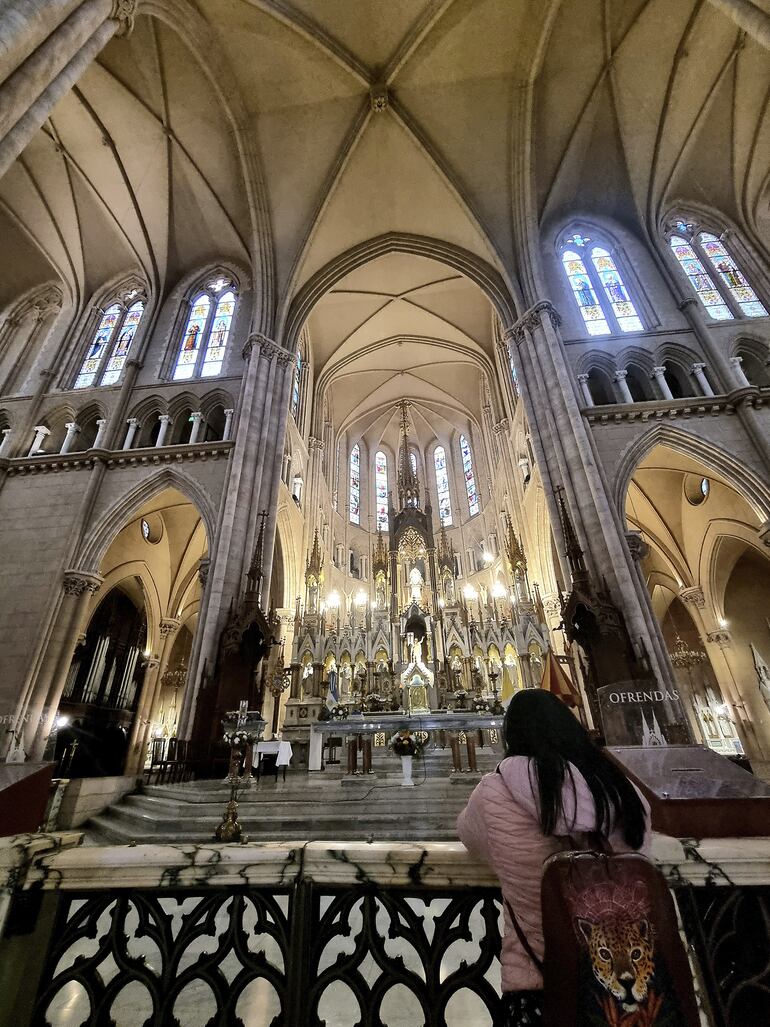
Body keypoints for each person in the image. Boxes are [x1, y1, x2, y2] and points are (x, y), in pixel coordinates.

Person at [457, 689, 651, 1026]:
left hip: (539, 974)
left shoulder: (495, 790)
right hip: (632, 978)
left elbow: (471, 836)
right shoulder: (619, 787)